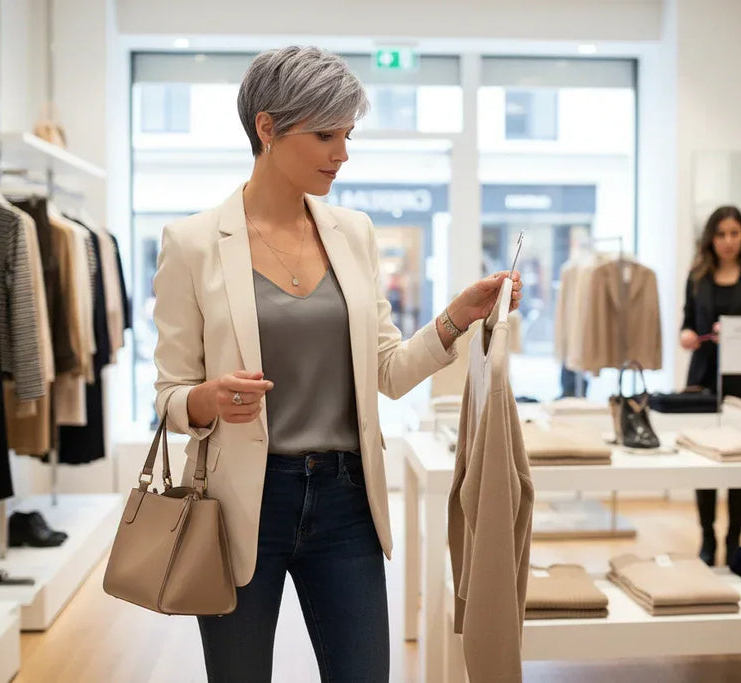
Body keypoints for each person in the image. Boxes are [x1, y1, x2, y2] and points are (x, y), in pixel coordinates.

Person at [151, 46, 522, 683]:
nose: (341, 152)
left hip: (347, 500)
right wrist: (204, 400)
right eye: (325, 134)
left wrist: (457, 317)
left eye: (347, 134)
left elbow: (388, 370)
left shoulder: (353, 231)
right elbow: (168, 394)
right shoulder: (192, 243)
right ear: (265, 128)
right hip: (243, 501)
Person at [680, 205, 741, 567]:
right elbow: (688, 322)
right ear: (711, 238)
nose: (728, 241)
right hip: (703, 377)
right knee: (703, 458)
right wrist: (687, 335)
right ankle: (707, 536)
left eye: (734, 233)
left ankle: (735, 540)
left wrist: (736, 332)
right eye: (721, 234)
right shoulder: (697, 276)